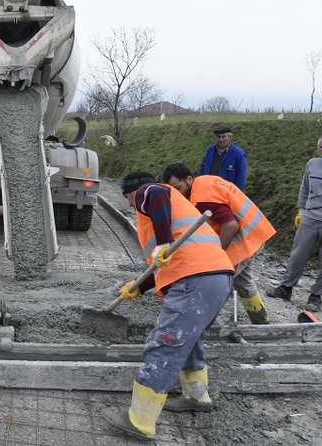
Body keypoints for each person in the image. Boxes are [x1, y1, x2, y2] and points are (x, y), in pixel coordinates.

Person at [100, 172, 233, 441]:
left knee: (165, 344)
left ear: (133, 192)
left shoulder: (151, 192)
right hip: (217, 277)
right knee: (189, 340)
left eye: (129, 199)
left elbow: (155, 196)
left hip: (195, 279)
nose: (131, 206)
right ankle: (197, 396)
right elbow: (164, 261)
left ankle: (139, 422)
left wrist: (163, 242)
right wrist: (139, 286)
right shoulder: (173, 211)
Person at [162, 162, 275, 324]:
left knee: (218, 279)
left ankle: (202, 323)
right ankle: (262, 323)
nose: (178, 194)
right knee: (243, 282)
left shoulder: (202, 198)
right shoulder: (203, 183)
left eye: (178, 188)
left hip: (244, 237)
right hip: (254, 231)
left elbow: (230, 225)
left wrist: (217, 255)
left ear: (188, 179)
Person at [267, 137, 322, 312]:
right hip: (310, 216)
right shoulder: (312, 164)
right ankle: (285, 288)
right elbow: (304, 188)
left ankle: (316, 296)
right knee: (298, 254)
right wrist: (301, 210)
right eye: (320, 147)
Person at [198, 125, 247, 190]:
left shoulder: (238, 154)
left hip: (226, 194)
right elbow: (202, 169)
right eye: (218, 137)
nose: (221, 139)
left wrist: (235, 195)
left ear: (230, 137)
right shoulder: (210, 150)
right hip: (208, 190)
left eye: (224, 137)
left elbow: (241, 178)